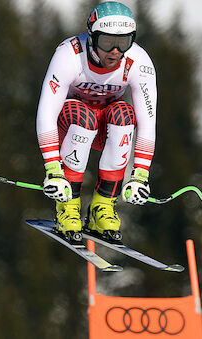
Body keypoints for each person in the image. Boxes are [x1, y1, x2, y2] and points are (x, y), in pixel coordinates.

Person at [36, 1, 156, 242]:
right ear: (91, 37)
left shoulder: (138, 61)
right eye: (107, 41)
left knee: (124, 114)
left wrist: (140, 175)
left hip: (105, 129)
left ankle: (102, 208)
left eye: (123, 42)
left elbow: (147, 122)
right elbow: (46, 112)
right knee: (83, 116)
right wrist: (53, 170)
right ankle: (68, 206)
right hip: (69, 125)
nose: (115, 51)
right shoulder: (69, 54)